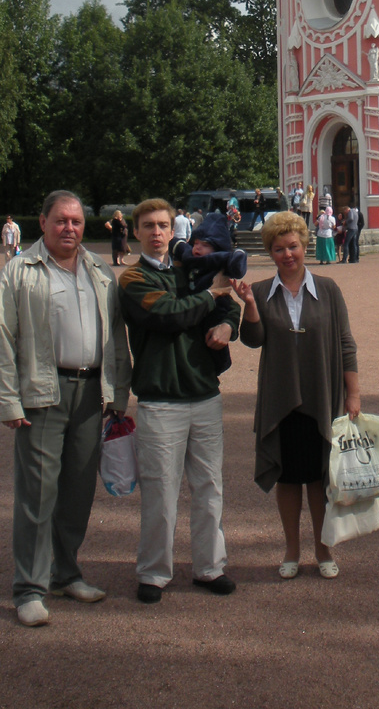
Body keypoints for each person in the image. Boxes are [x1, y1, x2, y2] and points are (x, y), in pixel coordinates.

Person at [0, 191, 132, 627]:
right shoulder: (20, 270)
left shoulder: (99, 270)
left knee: (77, 491)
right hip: (43, 393)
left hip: (91, 393)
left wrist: (119, 393)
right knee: (37, 494)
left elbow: (117, 337)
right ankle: (29, 588)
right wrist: (8, 399)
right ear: (43, 222)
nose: (69, 228)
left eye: (76, 221)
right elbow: (2, 338)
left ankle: (65, 573)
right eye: (61, 221)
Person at [118, 199, 241, 604]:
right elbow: (167, 315)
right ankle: (154, 572)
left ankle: (210, 567)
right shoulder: (132, 279)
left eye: (163, 225)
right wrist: (211, 298)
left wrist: (225, 323)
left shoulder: (193, 270)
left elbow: (229, 304)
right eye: (148, 225)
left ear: (174, 231)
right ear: (136, 232)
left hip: (204, 394)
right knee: (160, 491)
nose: (156, 232)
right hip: (161, 398)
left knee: (209, 488)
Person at [232, 211, 360, 580]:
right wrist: (251, 308)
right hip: (280, 398)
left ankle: (323, 548)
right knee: (287, 479)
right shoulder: (258, 291)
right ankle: (291, 549)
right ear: (270, 253)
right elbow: (253, 340)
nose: (287, 255)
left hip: (320, 395)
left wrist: (354, 395)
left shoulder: (329, 289)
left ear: (305, 246)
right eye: (278, 249)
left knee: (320, 477)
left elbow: (345, 343)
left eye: (293, 247)